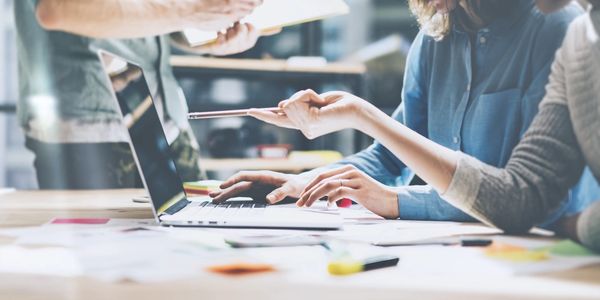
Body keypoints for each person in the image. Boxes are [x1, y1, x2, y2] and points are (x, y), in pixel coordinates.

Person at [234, 0, 600, 251]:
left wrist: (395, 201)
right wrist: (305, 183)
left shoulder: (562, 29)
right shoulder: (435, 38)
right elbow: (392, 160)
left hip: (543, 247)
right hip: (463, 248)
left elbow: (531, 197)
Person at [15, 0, 275, 189]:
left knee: (195, 245)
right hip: (92, 128)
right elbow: (57, 10)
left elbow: (156, 19)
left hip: (168, 119)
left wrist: (213, 36)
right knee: (107, 260)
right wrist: (189, 10)